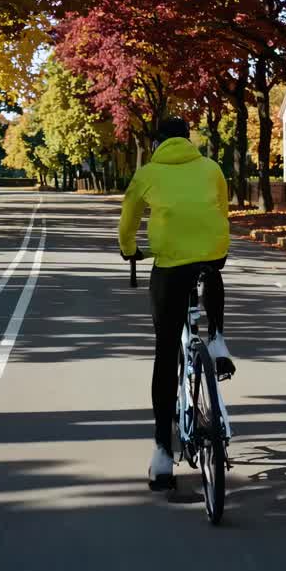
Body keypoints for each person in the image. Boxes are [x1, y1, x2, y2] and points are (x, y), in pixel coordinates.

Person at [119, 116, 234, 492]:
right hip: (210, 255)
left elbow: (127, 224)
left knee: (166, 353)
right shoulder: (211, 167)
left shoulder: (148, 173)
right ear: (188, 140)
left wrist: (130, 251)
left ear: (157, 144)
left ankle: (162, 456)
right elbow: (221, 206)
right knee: (209, 269)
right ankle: (216, 339)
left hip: (169, 265)